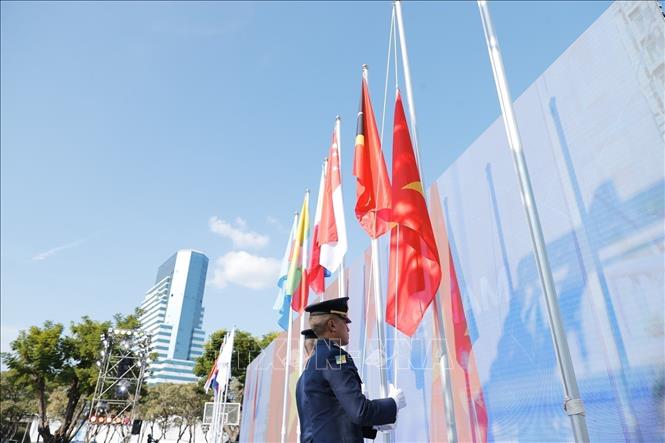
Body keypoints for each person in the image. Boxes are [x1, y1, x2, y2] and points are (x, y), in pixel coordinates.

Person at [295, 297, 406, 442]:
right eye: (344, 321)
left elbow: (333, 416)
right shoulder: (333, 356)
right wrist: (393, 403)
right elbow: (359, 411)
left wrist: (374, 426)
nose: (348, 328)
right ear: (332, 325)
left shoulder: (313, 364)